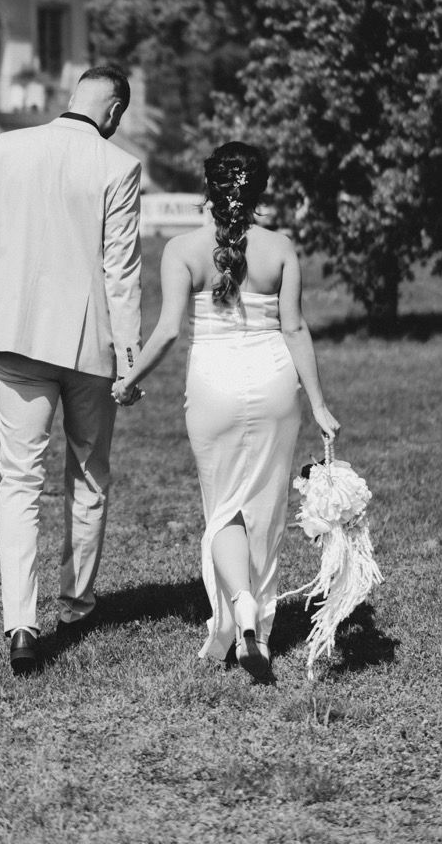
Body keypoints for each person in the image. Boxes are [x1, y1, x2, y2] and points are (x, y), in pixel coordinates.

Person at [113, 141, 339, 678]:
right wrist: (319, 403)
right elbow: (294, 327)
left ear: (208, 187)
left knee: (222, 511)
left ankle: (237, 608)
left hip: (213, 384)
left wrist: (128, 380)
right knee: (264, 511)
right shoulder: (281, 248)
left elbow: (169, 330)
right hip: (275, 384)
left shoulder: (181, 249)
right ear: (260, 190)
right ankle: (255, 627)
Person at [0, 65, 143, 677]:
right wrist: (129, 359)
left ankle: (20, 623)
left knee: (18, 479)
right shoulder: (118, 166)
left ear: (75, 95)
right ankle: (76, 605)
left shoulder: (8, 147)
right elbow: (121, 272)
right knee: (88, 473)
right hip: (90, 348)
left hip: (17, 339)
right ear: (113, 111)